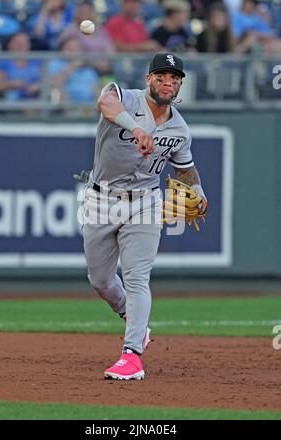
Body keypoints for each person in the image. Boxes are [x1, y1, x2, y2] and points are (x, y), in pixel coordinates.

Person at [79, 53, 207, 380]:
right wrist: (135, 127)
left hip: (147, 202)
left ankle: (132, 354)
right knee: (101, 281)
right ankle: (128, 314)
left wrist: (200, 190)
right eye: (162, 76)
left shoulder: (179, 127)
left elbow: (185, 167)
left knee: (137, 277)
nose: (168, 83)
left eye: (174, 78)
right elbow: (104, 103)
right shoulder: (125, 98)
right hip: (101, 200)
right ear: (149, 79)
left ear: (180, 85)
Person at [48, 36, 100, 103]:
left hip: (87, 106)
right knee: (56, 91)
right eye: (70, 49)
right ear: (62, 50)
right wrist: (72, 66)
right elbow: (53, 83)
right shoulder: (55, 63)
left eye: (76, 48)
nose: (74, 51)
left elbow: (96, 87)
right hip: (65, 103)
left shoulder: (88, 69)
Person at [0, 32, 41, 101]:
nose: (22, 46)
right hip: (12, 101)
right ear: (9, 45)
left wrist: (37, 86)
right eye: (18, 43)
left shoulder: (36, 61)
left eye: (25, 43)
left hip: (34, 98)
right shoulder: (2, 62)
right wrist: (14, 84)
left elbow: (45, 80)